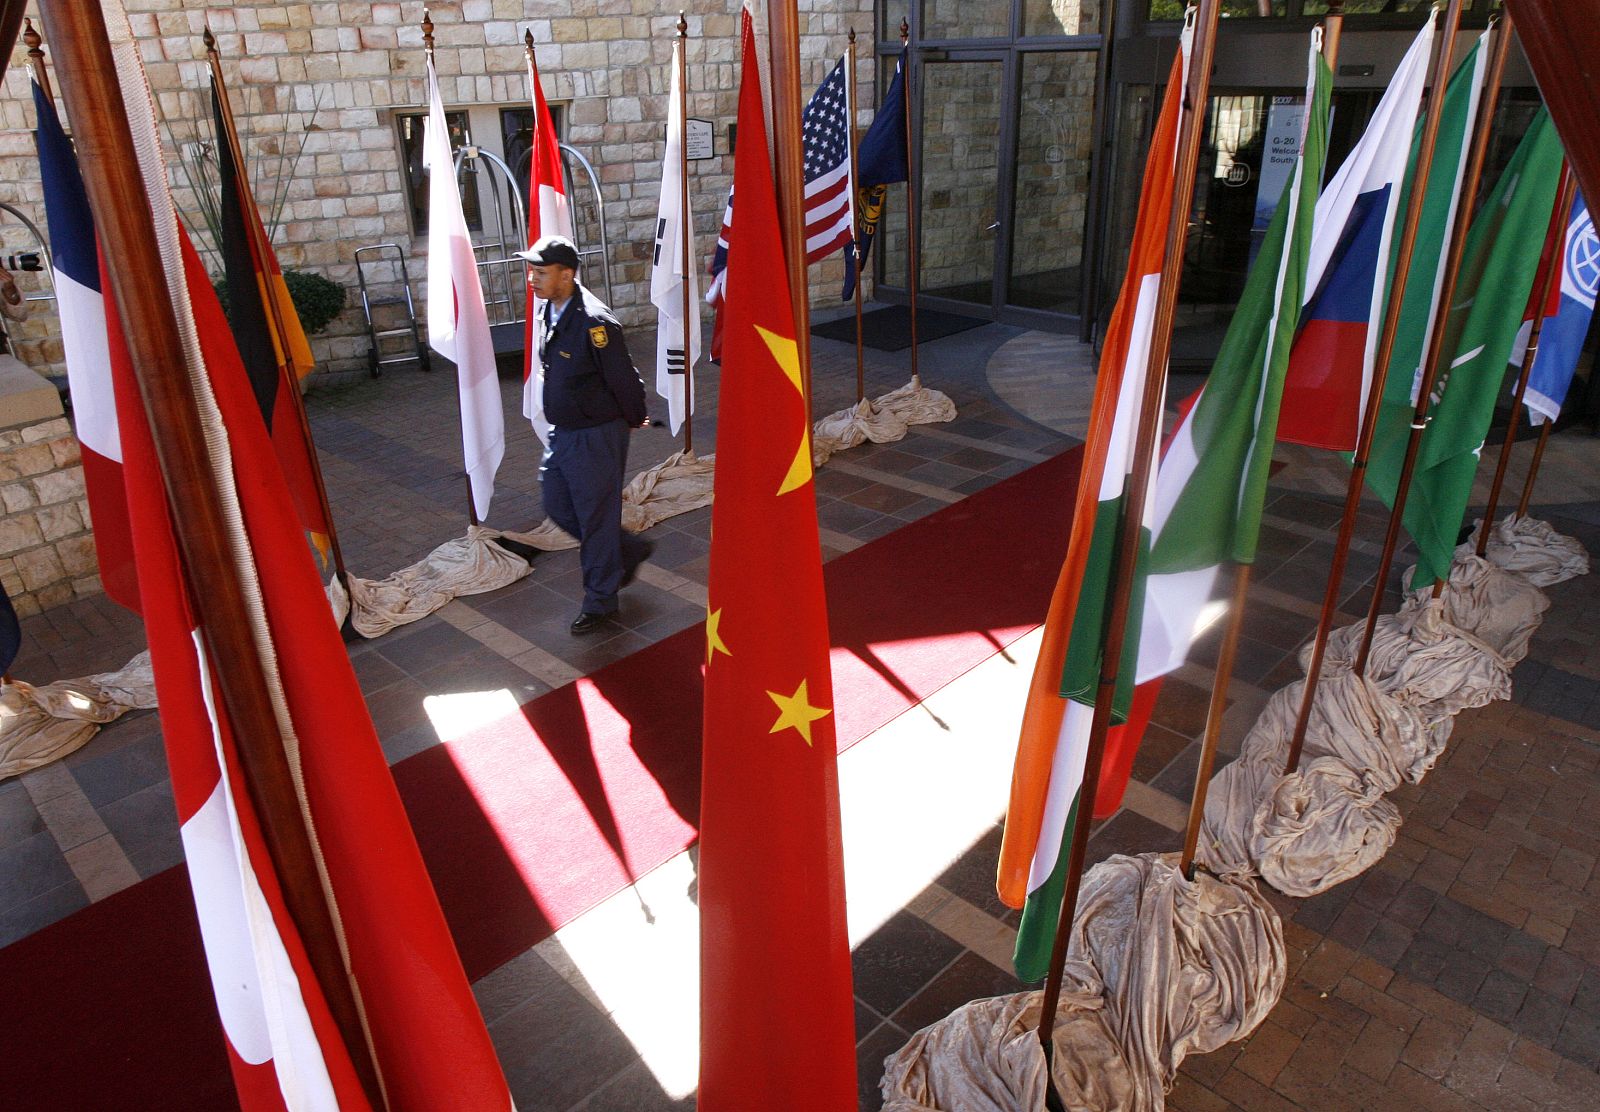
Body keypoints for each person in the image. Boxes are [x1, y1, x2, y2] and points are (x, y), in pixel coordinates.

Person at [519, 234, 654, 635]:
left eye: (541, 272)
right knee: (557, 503)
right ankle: (627, 549)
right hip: (565, 432)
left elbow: (623, 377)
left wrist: (635, 417)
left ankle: (600, 600)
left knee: (595, 519)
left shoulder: (595, 322)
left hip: (596, 434)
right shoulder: (549, 308)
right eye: (531, 271)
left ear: (567, 274)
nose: (532, 279)